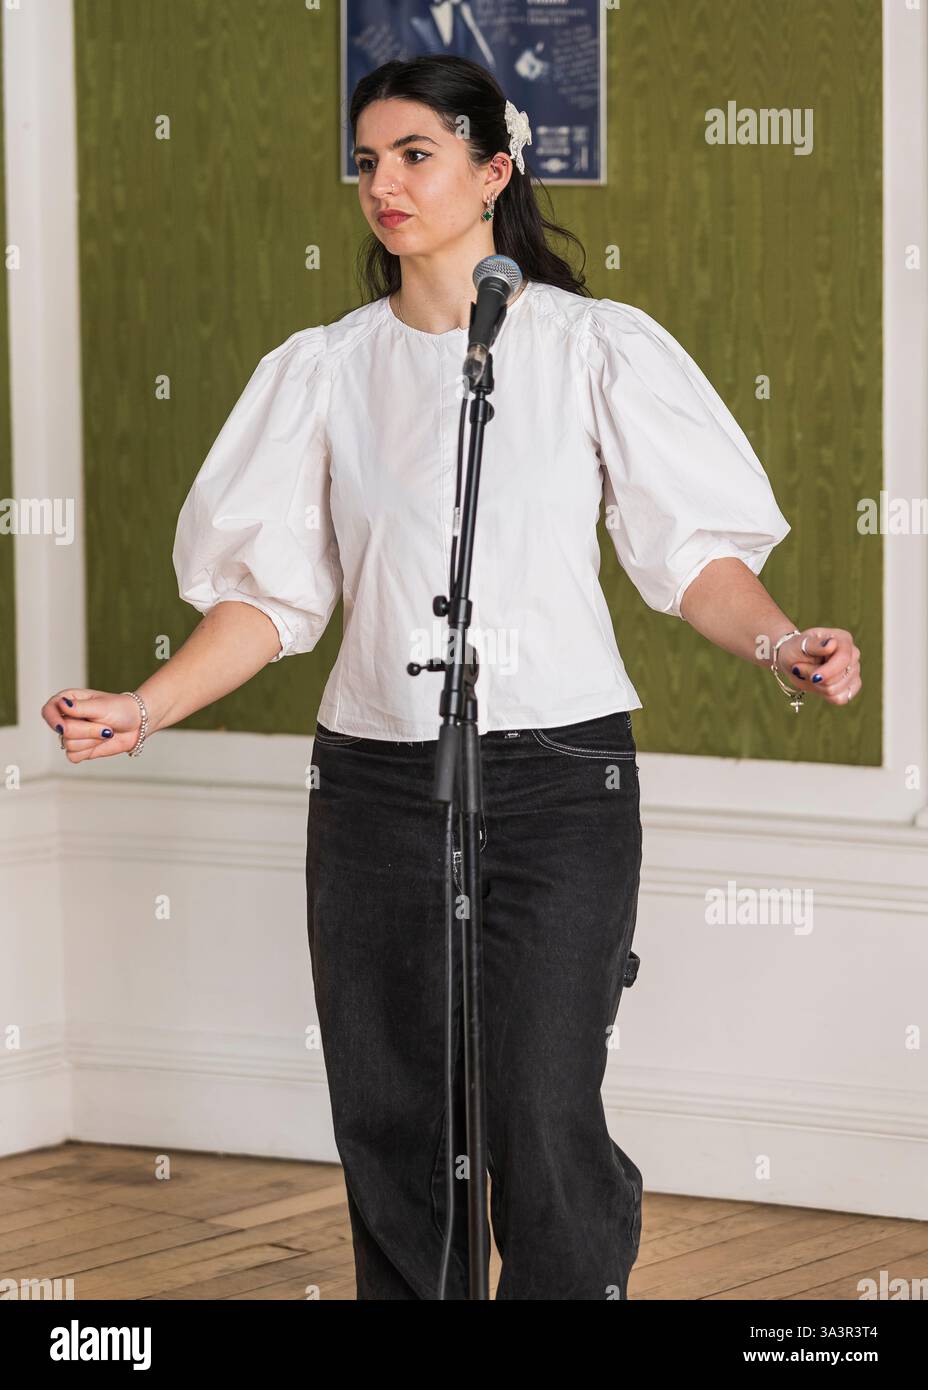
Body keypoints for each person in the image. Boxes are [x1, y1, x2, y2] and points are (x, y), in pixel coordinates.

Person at [41, 55, 862, 1300]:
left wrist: (778, 641)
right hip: (373, 783)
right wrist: (146, 707)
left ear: (493, 171)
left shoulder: (593, 348)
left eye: (415, 153)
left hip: (556, 780)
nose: (383, 182)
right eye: (366, 160)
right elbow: (269, 597)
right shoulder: (325, 371)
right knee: (394, 1119)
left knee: (537, 1109)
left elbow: (690, 556)